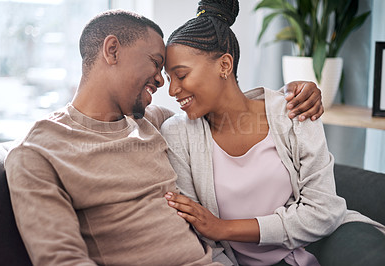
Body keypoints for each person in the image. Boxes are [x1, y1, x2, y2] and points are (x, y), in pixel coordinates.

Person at [5, 9, 323, 266]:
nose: (162, 82)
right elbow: (63, 260)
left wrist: (289, 96)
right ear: (111, 50)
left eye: (172, 73)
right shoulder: (38, 153)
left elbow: (225, 112)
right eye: (157, 64)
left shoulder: (156, 122)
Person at [161, 1, 385, 266]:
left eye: (181, 75)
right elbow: (201, 233)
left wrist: (224, 228)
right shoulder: (178, 134)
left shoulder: (293, 110)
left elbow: (325, 213)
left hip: (327, 239)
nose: (173, 89)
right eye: (168, 78)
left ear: (224, 65)